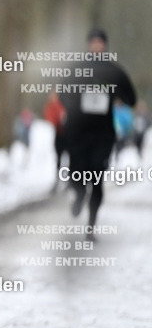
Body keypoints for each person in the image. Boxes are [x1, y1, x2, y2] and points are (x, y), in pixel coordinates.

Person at [59, 28, 136, 232]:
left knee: (97, 178)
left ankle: (91, 226)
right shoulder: (76, 69)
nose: (96, 46)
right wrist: (74, 106)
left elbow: (131, 98)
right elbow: (62, 93)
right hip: (78, 132)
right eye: (92, 42)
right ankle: (79, 194)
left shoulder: (114, 71)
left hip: (102, 134)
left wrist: (118, 94)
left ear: (105, 45)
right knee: (77, 174)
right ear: (88, 45)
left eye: (99, 43)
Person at [43, 92, 68, 191]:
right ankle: (58, 178)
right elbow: (49, 117)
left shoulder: (63, 104)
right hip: (59, 134)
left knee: (68, 158)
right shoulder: (50, 106)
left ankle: (68, 178)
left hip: (67, 134)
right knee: (59, 158)